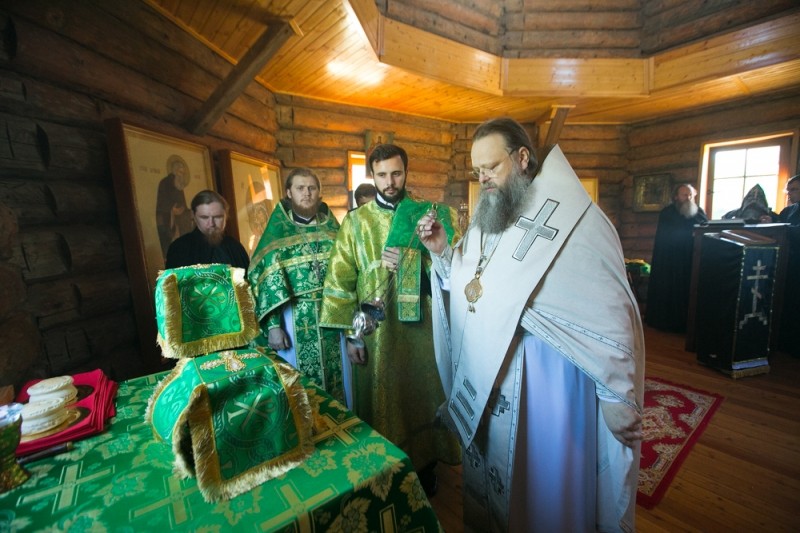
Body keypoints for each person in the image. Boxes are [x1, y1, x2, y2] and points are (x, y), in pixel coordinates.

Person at [417, 118, 644, 531]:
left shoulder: (579, 221)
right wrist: (443, 252)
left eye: (491, 167)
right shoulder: (489, 218)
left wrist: (616, 394)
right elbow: (471, 286)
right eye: (478, 171)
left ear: (522, 158)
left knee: (544, 489)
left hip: (548, 385)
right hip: (493, 379)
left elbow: (610, 313)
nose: (484, 179)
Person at [320, 144, 461, 495]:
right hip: (376, 334)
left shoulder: (430, 214)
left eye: (396, 173)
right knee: (382, 404)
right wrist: (352, 336)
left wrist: (415, 261)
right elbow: (340, 280)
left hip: (425, 333)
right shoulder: (356, 222)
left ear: (406, 172)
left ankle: (426, 471)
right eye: (382, 175)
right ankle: (385, 475)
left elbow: (456, 270)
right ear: (372, 176)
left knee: (425, 397)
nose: (390, 181)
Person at [247, 168, 346, 404]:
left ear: (319, 192)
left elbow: (349, 274)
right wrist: (273, 326)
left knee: (341, 383)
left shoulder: (333, 230)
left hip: (334, 316)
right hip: (293, 319)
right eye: (300, 188)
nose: (307, 193)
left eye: (312, 188)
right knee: (299, 389)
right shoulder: (276, 233)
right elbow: (264, 282)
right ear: (289, 192)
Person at [646, 183, 708, 332]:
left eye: (691, 195)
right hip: (670, 261)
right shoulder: (667, 214)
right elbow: (665, 238)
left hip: (691, 260)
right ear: (676, 197)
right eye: (684, 195)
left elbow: (704, 232)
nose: (688, 198)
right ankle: (667, 323)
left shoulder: (699, 212)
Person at [165, 190, 249, 270]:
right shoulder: (179, 249)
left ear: (226, 216)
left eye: (217, 217)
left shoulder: (235, 247)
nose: (211, 224)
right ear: (193, 216)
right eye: (204, 217)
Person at [156, 156, 194, 259]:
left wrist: (189, 211)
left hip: (180, 217)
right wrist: (171, 211)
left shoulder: (179, 185)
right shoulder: (164, 183)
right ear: (174, 171)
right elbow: (161, 203)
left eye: (183, 173)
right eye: (180, 172)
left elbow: (183, 204)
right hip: (167, 217)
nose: (182, 175)